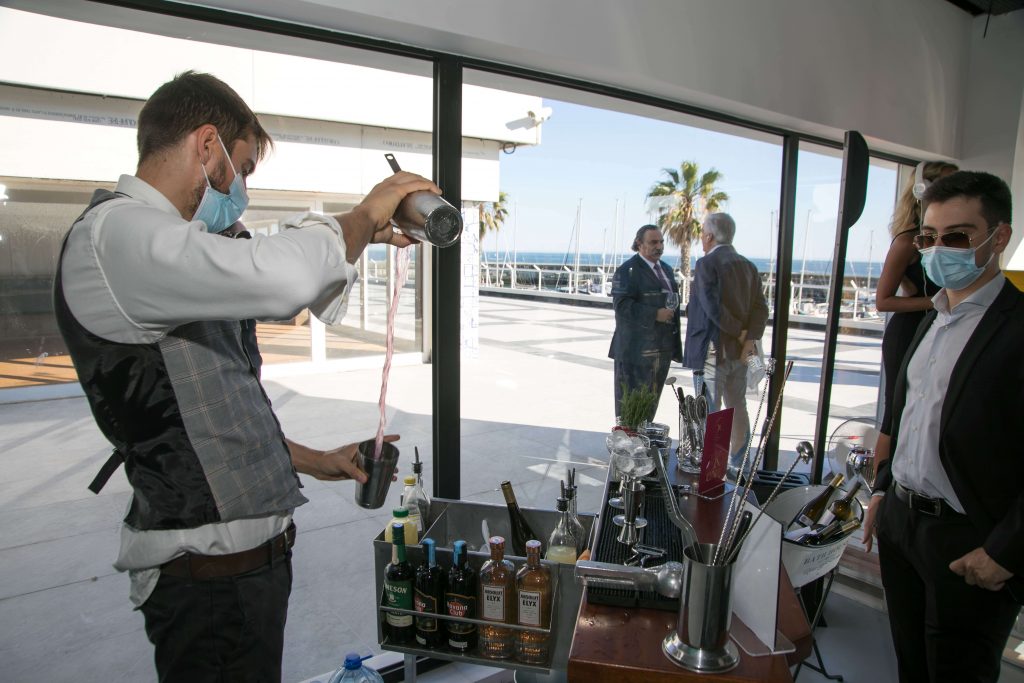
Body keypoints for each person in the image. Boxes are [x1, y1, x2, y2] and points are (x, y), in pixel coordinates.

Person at [53, 71, 439, 681]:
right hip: (208, 587)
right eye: (245, 168)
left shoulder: (174, 245)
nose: (243, 191)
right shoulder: (116, 235)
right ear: (208, 146)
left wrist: (312, 459)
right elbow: (282, 278)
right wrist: (366, 214)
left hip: (242, 575)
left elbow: (208, 403)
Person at [863, 171, 1023, 683]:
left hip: (967, 540)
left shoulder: (1017, 326)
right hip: (902, 526)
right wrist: (883, 492)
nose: (937, 250)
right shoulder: (930, 319)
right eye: (928, 238)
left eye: (956, 237)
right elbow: (908, 417)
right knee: (911, 667)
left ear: (999, 237)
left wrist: (1006, 551)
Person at [872, 160, 958, 486]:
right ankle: (881, 490)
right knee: (895, 414)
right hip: (909, 333)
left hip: (939, 330)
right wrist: (937, 302)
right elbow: (883, 300)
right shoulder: (908, 241)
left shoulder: (950, 239)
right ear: (924, 190)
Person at [682, 213, 768, 474]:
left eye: (702, 233)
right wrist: (749, 338)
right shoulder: (748, 266)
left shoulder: (707, 263)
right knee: (737, 404)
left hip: (712, 350)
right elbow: (761, 309)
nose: (701, 238)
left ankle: (714, 469)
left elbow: (712, 308)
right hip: (739, 353)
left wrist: (739, 333)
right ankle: (740, 465)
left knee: (711, 410)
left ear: (709, 236)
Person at [608, 225, 682, 422]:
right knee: (630, 409)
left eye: (661, 242)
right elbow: (622, 306)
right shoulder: (627, 271)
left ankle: (644, 438)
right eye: (653, 242)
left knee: (650, 406)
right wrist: (655, 314)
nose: (659, 246)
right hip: (635, 353)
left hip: (661, 351)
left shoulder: (666, 269)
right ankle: (629, 440)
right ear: (639, 244)